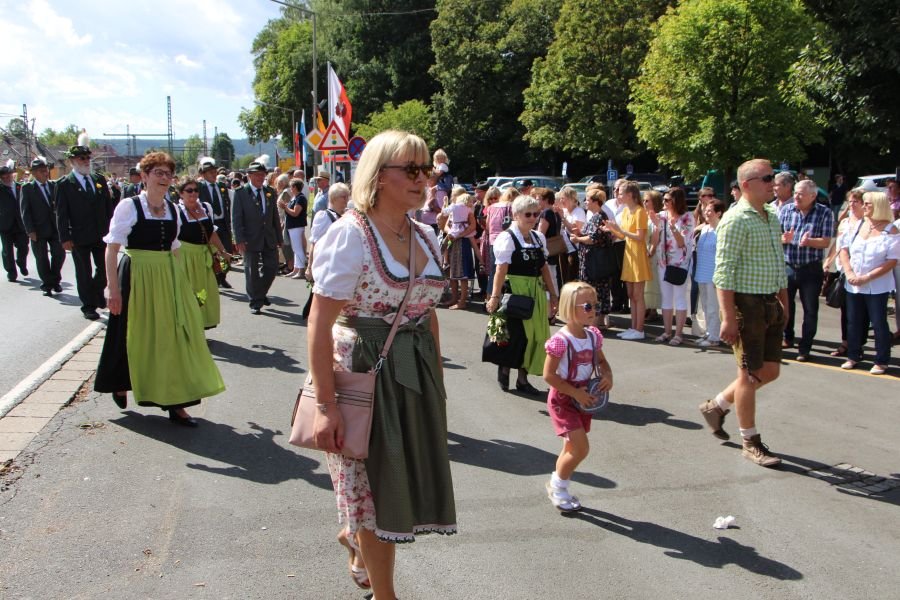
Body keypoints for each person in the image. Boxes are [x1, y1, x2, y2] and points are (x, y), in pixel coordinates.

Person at [308, 130, 456, 599]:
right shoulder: (349, 235)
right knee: (372, 490)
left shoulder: (425, 234)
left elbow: (426, 312)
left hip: (412, 370)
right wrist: (326, 405)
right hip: (363, 373)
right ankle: (385, 592)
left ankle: (355, 542)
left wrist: (437, 382)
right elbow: (319, 323)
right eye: (410, 169)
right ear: (378, 175)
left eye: (425, 169)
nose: (422, 178)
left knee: (398, 482)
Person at [94, 152, 225, 426]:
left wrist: (182, 284)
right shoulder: (129, 206)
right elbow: (112, 249)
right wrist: (112, 289)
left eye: (168, 173)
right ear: (144, 176)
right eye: (158, 173)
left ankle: (176, 403)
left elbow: (175, 249)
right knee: (130, 333)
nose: (164, 178)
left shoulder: (172, 209)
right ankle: (121, 382)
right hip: (137, 276)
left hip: (167, 276)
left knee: (173, 336)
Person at [699, 158, 787, 468]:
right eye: (767, 178)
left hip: (769, 302)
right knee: (749, 376)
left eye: (773, 177)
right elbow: (723, 273)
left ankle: (717, 406)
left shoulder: (771, 215)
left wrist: (784, 302)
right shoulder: (735, 220)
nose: (773, 183)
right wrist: (727, 317)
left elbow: (778, 262)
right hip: (746, 305)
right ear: (747, 185)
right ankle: (750, 441)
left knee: (770, 371)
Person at [542, 281, 613, 512]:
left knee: (571, 447)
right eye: (588, 306)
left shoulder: (592, 336)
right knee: (581, 449)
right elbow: (548, 375)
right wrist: (574, 393)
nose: (593, 310)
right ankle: (558, 488)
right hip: (564, 399)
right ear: (570, 308)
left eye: (595, 305)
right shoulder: (561, 341)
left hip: (584, 397)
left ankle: (557, 484)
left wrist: (607, 375)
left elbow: (601, 361)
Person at [487, 194, 559, 393]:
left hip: (535, 291)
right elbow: (500, 270)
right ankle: (504, 369)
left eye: (536, 214)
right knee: (516, 335)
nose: (533, 218)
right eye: (528, 214)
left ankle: (522, 379)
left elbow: (544, 268)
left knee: (534, 336)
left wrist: (553, 294)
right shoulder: (507, 238)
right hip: (515, 292)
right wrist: (494, 297)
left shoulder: (538, 237)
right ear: (516, 215)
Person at [838, 192, 898, 375]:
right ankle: (853, 355)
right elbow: (844, 250)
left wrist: (868, 277)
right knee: (853, 321)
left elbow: (892, 261)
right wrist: (849, 272)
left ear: (878, 206)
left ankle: (881, 360)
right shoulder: (859, 225)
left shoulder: (891, 230)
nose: (863, 206)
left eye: (867, 204)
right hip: (853, 284)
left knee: (878, 322)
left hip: (877, 286)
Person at [55, 145, 115, 320]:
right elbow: (61, 213)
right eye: (82, 158)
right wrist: (64, 237)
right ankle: (88, 306)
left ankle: (96, 295)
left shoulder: (99, 179)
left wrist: (112, 229)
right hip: (79, 236)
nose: (86, 161)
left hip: (101, 233)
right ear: (72, 161)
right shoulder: (64, 184)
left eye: (88, 158)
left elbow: (108, 207)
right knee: (84, 272)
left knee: (104, 269)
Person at [779, 179, 834, 361]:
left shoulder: (824, 212)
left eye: (801, 194)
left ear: (813, 196)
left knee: (810, 309)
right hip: (788, 266)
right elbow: (775, 236)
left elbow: (826, 241)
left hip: (810, 268)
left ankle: (805, 347)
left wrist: (809, 241)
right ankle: (787, 337)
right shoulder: (786, 211)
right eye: (795, 192)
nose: (796, 196)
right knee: (786, 306)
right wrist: (783, 239)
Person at [175, 177, 231, 329]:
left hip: (203, 257)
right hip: (186, 258)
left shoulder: (206, 207)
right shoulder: (176, 211)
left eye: (196, 190)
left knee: (206, 292)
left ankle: (201, 324)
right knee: (190, 293)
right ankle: (190, 327)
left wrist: (223, 251)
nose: (193, 193)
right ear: (181, 193)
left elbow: (211, 233)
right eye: (189, 190)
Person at [231, 158, 282, 315]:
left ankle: (259, 293)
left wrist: (279, 237)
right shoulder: (241, 193)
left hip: (268, 237)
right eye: (257, 174)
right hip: (250, 238)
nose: (260, 177)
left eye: (262, 174)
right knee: (251, 271)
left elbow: (274, 217)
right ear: (249, 176)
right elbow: (236, 218)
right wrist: (239, 239)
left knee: (272, 267)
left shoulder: (269, 192)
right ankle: (255, 301)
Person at [601, 181, 651, 340]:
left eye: (621, 192)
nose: (618, 195)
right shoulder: (626, 212)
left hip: (638, 255)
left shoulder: (640, 212)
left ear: (630, 195)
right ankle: (633, 327)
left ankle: (639, 329)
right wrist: (612, 229)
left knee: (638, 295)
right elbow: (623, 236)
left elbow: (640, 237)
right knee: (631, 294)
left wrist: (620, 230)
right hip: (629, 254)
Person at [823, 188, 866, 357]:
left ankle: (858, 344)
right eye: (850, 201)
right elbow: (838, 244)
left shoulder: (867, 222)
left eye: (856, 201)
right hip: (844, 270)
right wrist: (828, 260)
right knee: (845, 309)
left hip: (860, 271)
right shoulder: (845, 222)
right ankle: (845, 342)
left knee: (861, 311)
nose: (852, 205)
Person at [651, 187, 695, 345]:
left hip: (680, 262)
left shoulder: (687, 217)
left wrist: (673, 227)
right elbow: (655, 240)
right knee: (666, 298)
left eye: (667, 200)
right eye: (664, 199)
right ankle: (667, 331)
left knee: (680, 297)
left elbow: (682, 242)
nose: (664, 202)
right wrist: (656, 226)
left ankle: (678, 334)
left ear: (676, 201)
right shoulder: (662, 215)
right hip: (663, 261)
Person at [301, 182, 350, 320]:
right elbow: (314, 242)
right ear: (334, 198)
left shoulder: (346, 216)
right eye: (343, 197)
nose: (346, 200)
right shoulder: (323, 216)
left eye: (347, 196)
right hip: (326, 264)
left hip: (340, 265)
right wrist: (310, 267)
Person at [20, 157, 65, 296]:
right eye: (41, 171)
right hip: (38, 230)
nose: (45, 173)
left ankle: (55, 280)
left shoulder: (54, 185)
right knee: (41, 258)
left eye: (46, 170)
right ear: (34, 173)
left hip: (56, 228)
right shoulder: (27, 188)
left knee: (59, 255)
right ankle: (47, 284)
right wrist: (30, 230)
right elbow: (25, 211)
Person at [570, 188, 614, 329]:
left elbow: (592, 239)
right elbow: (590, 234)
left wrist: (578, 239)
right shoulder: (595, 216)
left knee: (594, 291)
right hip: (592, 261)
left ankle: (594, 324)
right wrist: (580, 233)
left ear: (596, 201)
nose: (585, 202)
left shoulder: (599, 217)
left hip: (595, 262)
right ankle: (597, 322)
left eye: (587, 200)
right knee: (597, 291)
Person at [694, 199, 725, 347]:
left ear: (718, 213)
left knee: (713, 307)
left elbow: (722, 255)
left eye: (710, 211)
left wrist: (718, 276)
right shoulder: (705, 229)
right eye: (705, 210)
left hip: (713, 275)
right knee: (705, 306)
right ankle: (708, 333)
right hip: (701, 273)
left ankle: (714, 337)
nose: (706, 213)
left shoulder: (721, 230)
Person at [198, 157, 233, 288]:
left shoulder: (221, 186)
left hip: (222, 222)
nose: (213, 174)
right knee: (213, 253)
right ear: (203, 174)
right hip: (209, 224)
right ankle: (216, 278)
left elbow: (227, 204)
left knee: (227, 250)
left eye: (214, 172)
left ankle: (222, 276)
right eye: (210, 172)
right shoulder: (200, 187)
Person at [442, 192, 477, 309]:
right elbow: (446, 226)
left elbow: (472, 226)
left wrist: (459, 235)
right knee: (453, 272)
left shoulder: (468, 212)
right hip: (453, 241)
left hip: (462, 243)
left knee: (462, 274)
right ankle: (454, 298)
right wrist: (451, 233)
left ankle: (462, 301)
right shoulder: (454, 211)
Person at [483, 186, 516, 299]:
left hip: (493, 241)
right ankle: (504, 298)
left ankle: (489, 298)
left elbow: (488, 226)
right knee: (506, 271)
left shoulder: (491, 207)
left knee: (493, 271)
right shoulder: (510, 206)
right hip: (506, 240)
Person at [0, 160, 29, 283]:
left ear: (12, 175)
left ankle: (21, 262)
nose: (7, 178)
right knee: (7, 251)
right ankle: (11, 272)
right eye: (3, 177)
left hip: (20, 224)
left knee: (24, 246)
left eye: (8, 175)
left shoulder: (20, 187)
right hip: (5, 224)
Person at [642, 191, 663, 324]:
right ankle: (646, 308)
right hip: (643, 250)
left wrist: (651, 251)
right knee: (645, 283)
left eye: (647, 201)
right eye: (644, 200)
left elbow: (656, 236)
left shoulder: (657, 217)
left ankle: (653, 310)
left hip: (652, 252)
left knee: (652, 282)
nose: (644, 203)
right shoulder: (644, 216)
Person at [282, 178, 308, 278]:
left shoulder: (300, 198)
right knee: (295, 248)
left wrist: (285, 208)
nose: (290, 189)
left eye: (291, 187)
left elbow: (295, 213)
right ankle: (296, 269)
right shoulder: (295, 197)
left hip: (297, 226)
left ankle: (301, 271)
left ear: (295, 187)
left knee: (298, 248)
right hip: (293, 226)